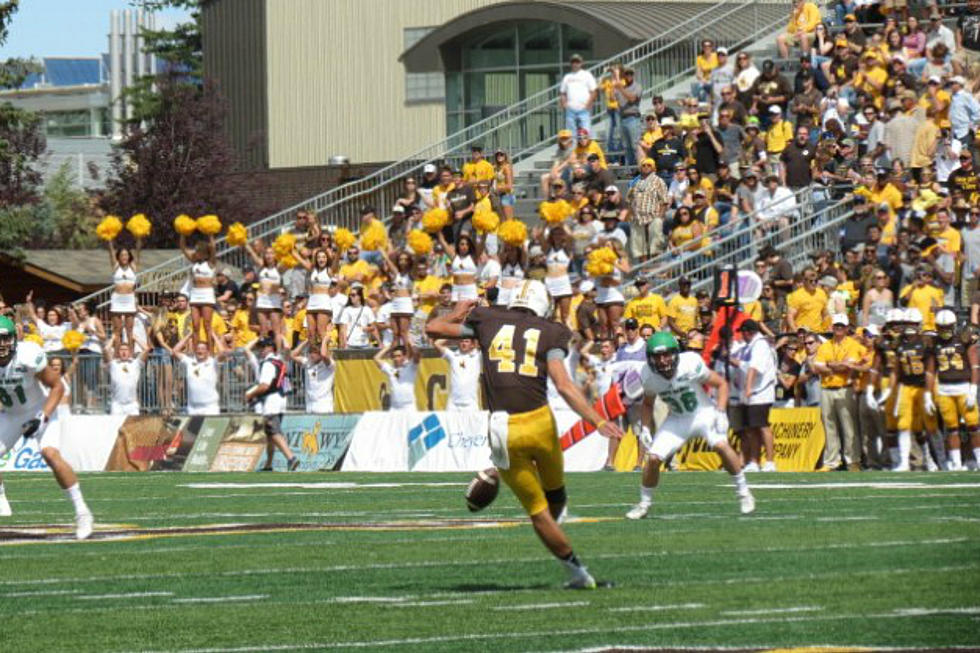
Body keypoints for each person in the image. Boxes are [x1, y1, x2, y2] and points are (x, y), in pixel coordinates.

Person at [426, 280, 624, 589]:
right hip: (541, 423)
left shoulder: (487, 320)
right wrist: (597, 420)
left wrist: (456, 311)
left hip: (503, 429)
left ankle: (577, 573)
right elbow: (563, 384)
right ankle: (558, 543)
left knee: (537, 510)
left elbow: (433, 328)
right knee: (556, 496)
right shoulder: (553, 330)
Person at [628, 332, 754, 519]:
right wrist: (645, 427)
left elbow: (721, 384)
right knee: (653, 458)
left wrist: (720, 410)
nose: (662, 361)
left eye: (666, 355)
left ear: (675, 353)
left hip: (703, 413)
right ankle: (644, 504)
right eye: (657, 356)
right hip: (677, 419)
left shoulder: (690, 363)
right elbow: (648, 403)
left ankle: (744, 492)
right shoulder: (648, 375)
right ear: (650, 358)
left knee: (721, 445)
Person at [0, 317, 94, 539]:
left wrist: (43, 417)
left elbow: (57, 386)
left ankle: (82, 512)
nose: (1, 344)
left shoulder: (28, 355)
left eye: (4, 338)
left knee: (49, 453)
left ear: (14, 339)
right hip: (12, 414)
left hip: (41, 410)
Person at [888, 309, 941, 471]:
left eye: (913, 324)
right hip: (906, 386)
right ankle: (904, 462)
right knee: (904, 425)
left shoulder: (927, 342)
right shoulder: (899, 343)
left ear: (919, 325)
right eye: (908, 324)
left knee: (931, 426)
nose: (910, 327)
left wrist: (928, 393)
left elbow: (932, 369)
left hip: (925, 386)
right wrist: (892, 392)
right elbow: (896, 370)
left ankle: (939, 461)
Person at [927, 309, 979, 470]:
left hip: (963, 388)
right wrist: (928, 395)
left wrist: (973, 388)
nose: (944, 330)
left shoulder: (963, 340)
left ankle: (978, 459)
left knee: (973, 426)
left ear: (954, 325)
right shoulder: (933, 343)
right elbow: (930, 371)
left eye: (947, 326)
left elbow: (975, 367)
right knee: (951, 429)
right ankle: (956, 463)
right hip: (944, 390)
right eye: (941, 327)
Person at [812, 314, 864, 471]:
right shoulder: (825, 345)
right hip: (827, 389)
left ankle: (853, 460)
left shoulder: (853, 345)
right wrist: (837, 366)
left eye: (841, 326)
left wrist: (830, 366)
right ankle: (831, 461)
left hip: (844, 388)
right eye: (836, 326)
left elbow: (849, 366)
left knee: (849, 427)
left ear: (847, 328)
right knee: (830, 427)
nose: (839, 329)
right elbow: (816, 366)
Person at [245, 336, 300, 471]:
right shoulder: (279, 362)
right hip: (281, 399)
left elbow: (264, 385)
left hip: (272, 400)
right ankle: (268, 464)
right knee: (270, 434)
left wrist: (250, 394)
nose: (261, 350)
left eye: (263, 347)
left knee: (272, 430)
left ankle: (291, 458)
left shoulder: (268, 363)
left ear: (270, 348)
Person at [729, 320, 777, 471]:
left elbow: (754, 368)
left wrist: (748, 388)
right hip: (750, 393)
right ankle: (754, 461)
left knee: (762, 426)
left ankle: (770, 461)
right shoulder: (749, 346)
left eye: (743, 332)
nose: (741, 335)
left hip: (760, 392)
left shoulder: (760, 345)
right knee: (750, 429)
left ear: (749, 332)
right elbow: (746, 366)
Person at [171, 332, 231, 416]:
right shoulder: (189, 362)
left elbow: (223, 353)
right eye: (198, 349)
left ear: (208, 352)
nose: (200, 351)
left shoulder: (213, 362)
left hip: (210, 409)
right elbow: (174, 351)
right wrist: (188, 335)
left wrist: (213, 335)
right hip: (193, 409)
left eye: (203, 349)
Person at [179, 232, 218, 347]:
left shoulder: (211, 262)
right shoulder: (194, 262)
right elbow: (182, 247)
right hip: (195, 295)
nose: (195, 252)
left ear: (203, 252)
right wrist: (183, 233)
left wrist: (210, 232)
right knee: (195, 325)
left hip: (207, 295)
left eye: (197, 250)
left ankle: (210, 352)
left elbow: (214, 247)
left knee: (207, 326)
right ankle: (196, 351)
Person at [107, 238, 141, 349]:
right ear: (119, 257)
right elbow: (111, 252)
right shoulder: (115, 266)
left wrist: (138, 237)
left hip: (129, 299)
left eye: (126, 255)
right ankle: (117, 354)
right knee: (117, 330)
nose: (124, 257)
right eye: (122, 255)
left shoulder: (133, 266)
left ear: (129, 256)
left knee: (129, 330)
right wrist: (110, 240)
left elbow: (138, 250)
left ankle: (130, 354)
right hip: (117, 299)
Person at [434, 337, 481, 411]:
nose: (464, 343)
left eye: (466, 341)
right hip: (453, 404)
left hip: (471, 404)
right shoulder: (453, 356)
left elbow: (487, 344)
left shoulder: (477, 356)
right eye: (462, 341)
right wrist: (455, 338)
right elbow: (437, 343)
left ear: (472, 344)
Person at [103, 340, 149, 416]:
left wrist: (135, 338)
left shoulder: (135, 363)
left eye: (126, 350)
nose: (124, 352)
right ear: (118, 352)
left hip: (132, 405)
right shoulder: (113, 364)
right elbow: (105, 350)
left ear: (130, 352)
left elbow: (146, 349)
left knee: (134, 427)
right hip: (117, 405)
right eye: (121, 350)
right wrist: (114, 337)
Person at [290, 336, 335, 414]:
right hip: (310, 407)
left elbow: (324, 355)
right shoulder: (308, 362)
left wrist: (324, 341)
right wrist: (306, 342)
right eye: (310, 352)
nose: (311, 355)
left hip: (324, 407)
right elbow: (292, 355)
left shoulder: (329, 365)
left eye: (315, 352)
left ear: (320, 353)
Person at [374, 342, 421, 411]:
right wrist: (390, 346)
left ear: (404, 357)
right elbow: (376, 358)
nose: (396, 358)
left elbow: (417, 355)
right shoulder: (390, 369)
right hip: (394, 407)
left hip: (409, 406)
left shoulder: (411, 367)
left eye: (399, 356)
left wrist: (409, 342)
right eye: (394, 356)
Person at [559, 54, 597, 134]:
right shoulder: (567, 77)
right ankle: (573, 147)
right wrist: (564, 104)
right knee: (571, 134)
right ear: (571, 64)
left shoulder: (587, 75)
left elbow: (594, 91)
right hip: (570, 110)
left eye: (577, 62)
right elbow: (562, 92)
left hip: (584, 110)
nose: (575, 64)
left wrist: (588, 104)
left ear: (581, 63)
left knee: (585, 134)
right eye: (573, 62)